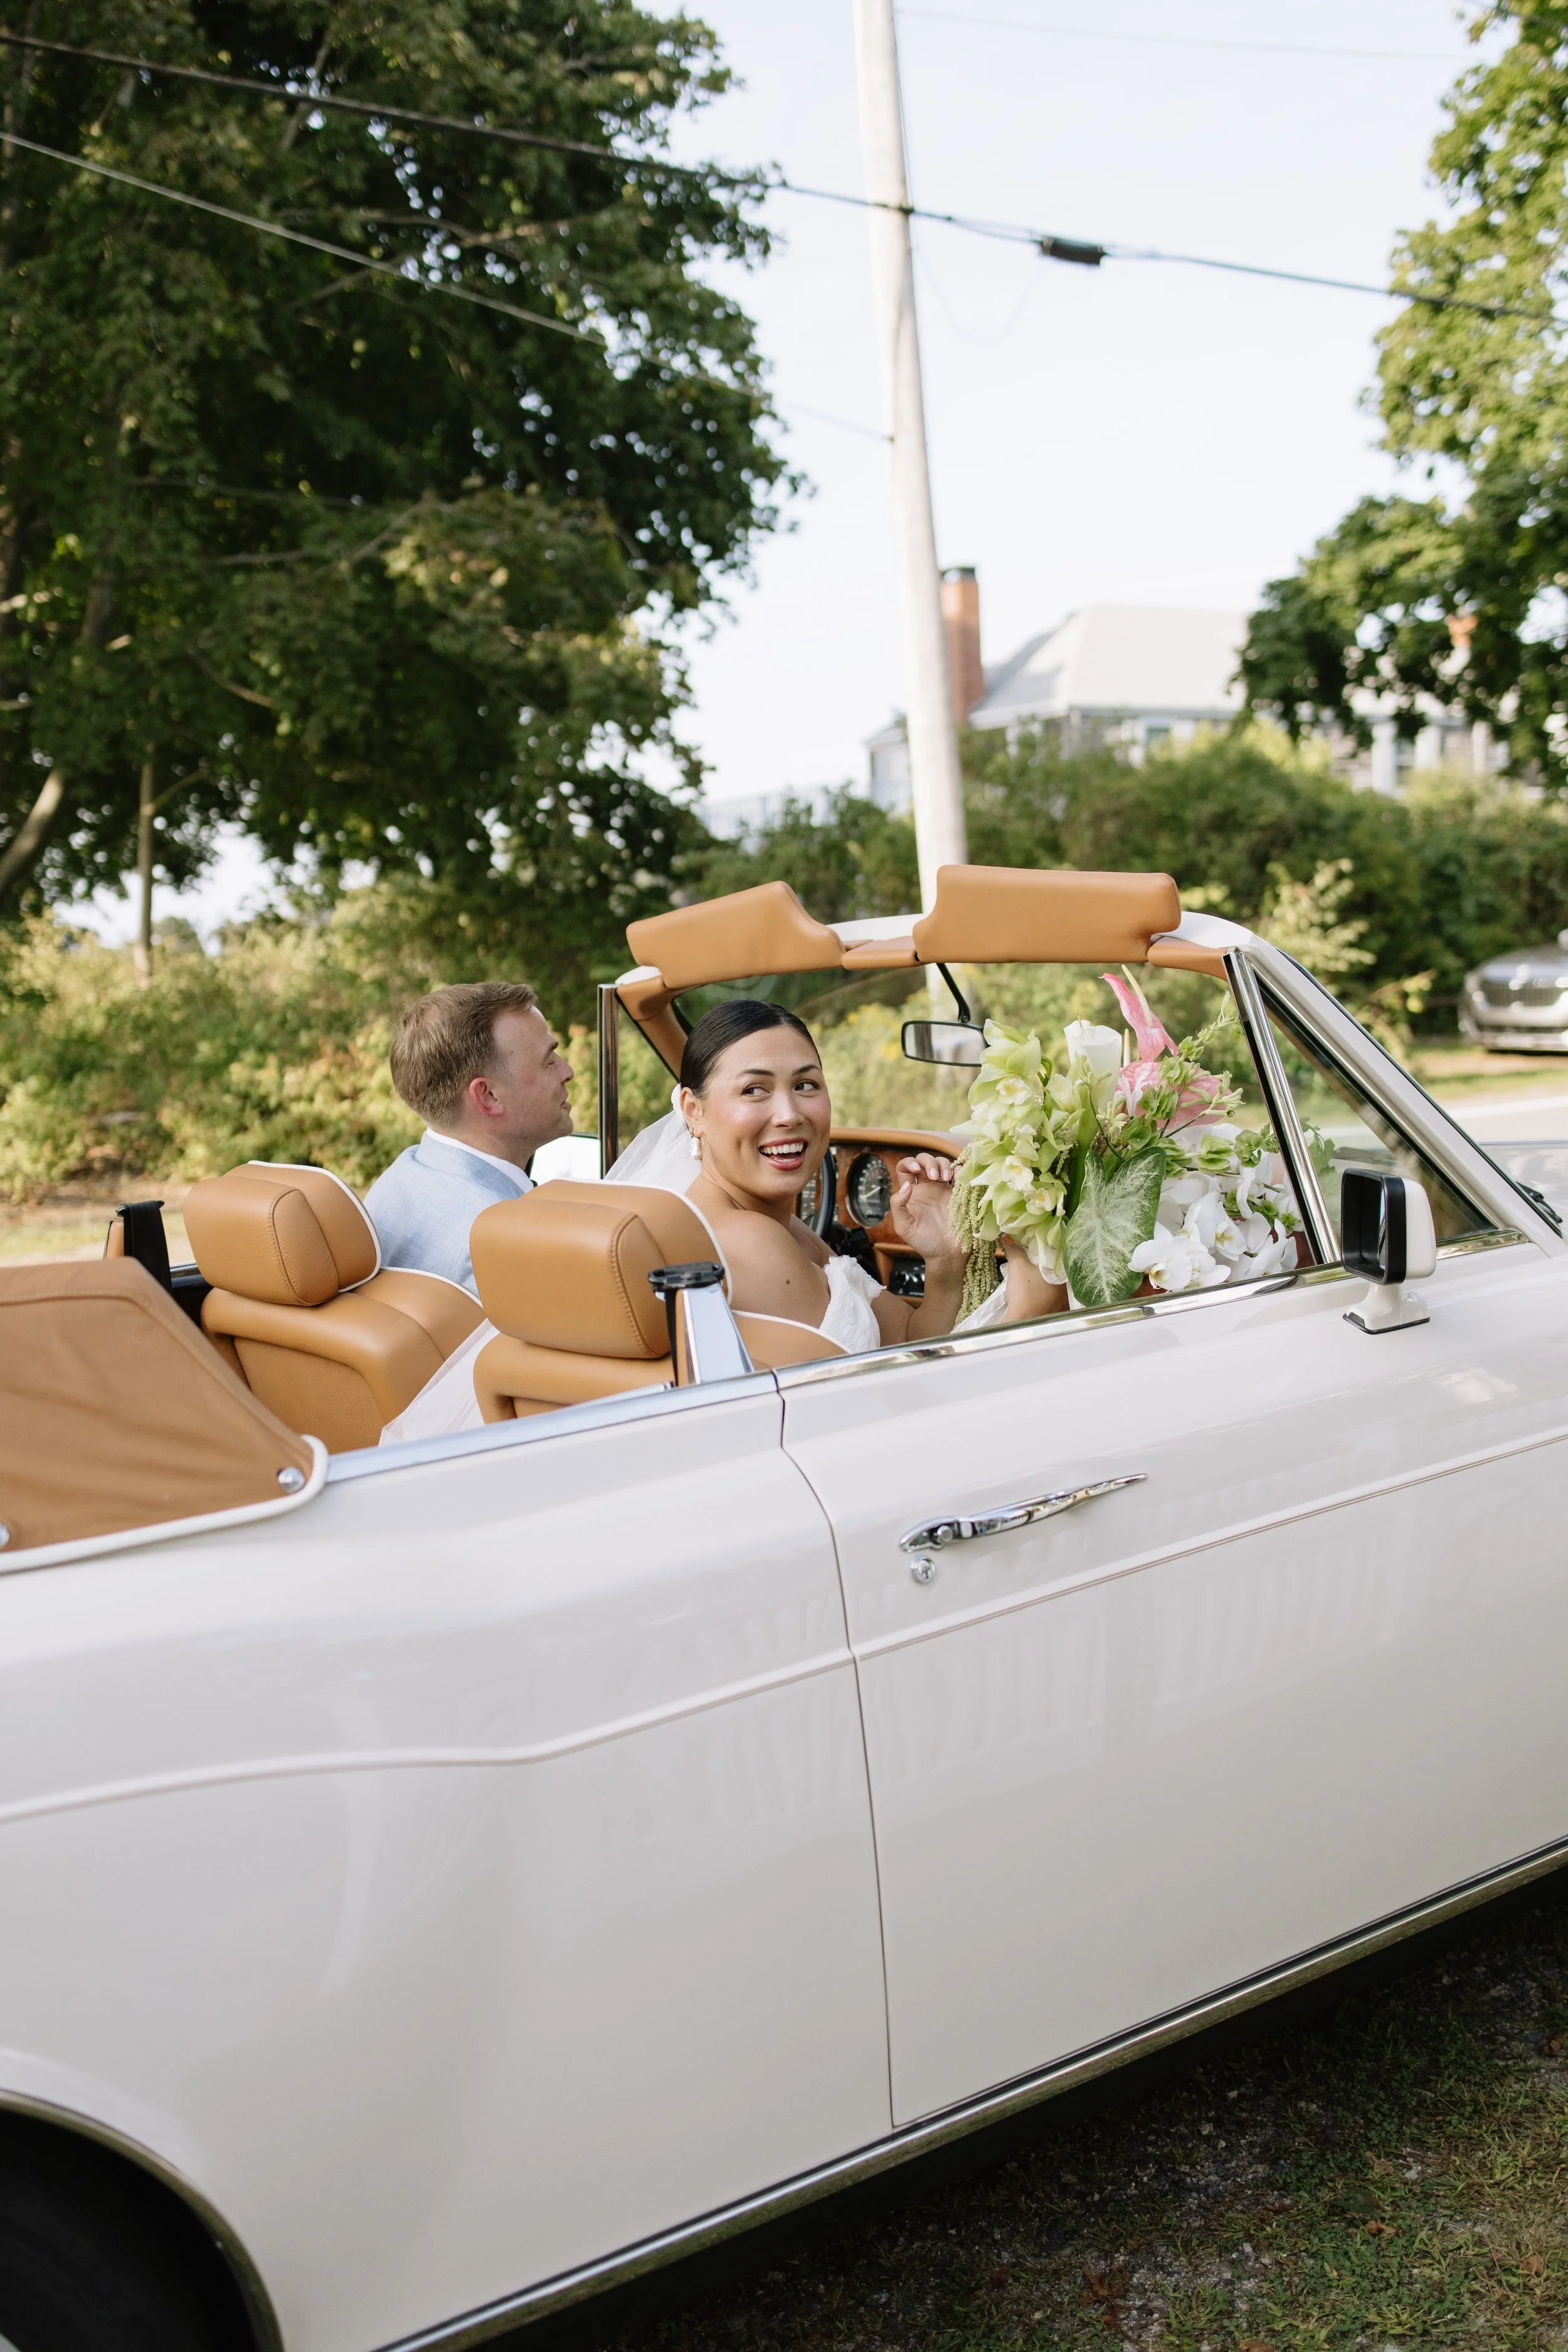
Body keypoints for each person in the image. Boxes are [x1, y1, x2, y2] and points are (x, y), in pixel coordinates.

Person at [365, 981, 573, 1293]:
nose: (567, 1071)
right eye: (549, 1061)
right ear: (488, 1096)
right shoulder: (509, 1244)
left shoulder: (393, 1185)